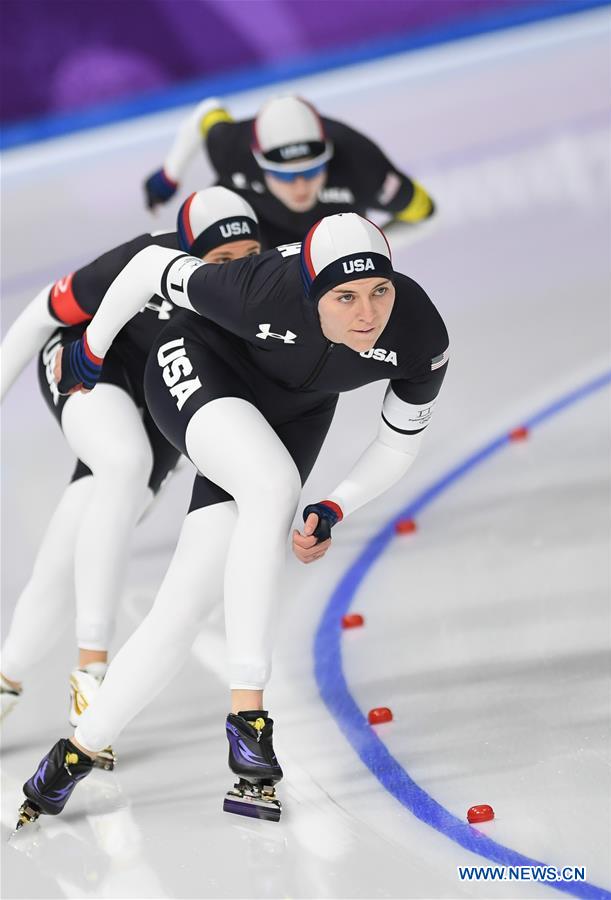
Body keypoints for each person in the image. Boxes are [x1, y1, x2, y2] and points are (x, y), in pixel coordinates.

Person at [17, 212, 449, 825]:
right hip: (197, 366)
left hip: (293, 416)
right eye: (345, 296)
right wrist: (91, 348)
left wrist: (335, 505)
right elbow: (144, 269)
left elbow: (399, 442)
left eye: (380, 291)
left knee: (185, 606)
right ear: (309, 291)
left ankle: (71, 756)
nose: (367, 314)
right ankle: (249, 725)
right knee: (271, 485)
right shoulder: (254, 288)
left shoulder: (420, 332)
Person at [1, 187, 262, 771]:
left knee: (82, 534)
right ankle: (91, 668)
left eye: (249, 256)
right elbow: (41, 311)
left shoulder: (265, 285)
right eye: (220, 264)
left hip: (165, 389)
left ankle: (7, 676)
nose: (237, 275)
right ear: (185, 256)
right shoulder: (141, 261)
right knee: (123, 463)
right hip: (89, 359)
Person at [144, 94, 435, 248]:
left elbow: (425, 213)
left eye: (312, 171)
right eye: (283, 175)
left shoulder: (363, 166)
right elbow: (207, 112)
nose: (299, 187)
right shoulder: (232, 147)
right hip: (248, 229)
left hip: (327, 243)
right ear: (259, 161)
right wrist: (169, 176)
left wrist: (374, 249)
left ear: (329, 156)